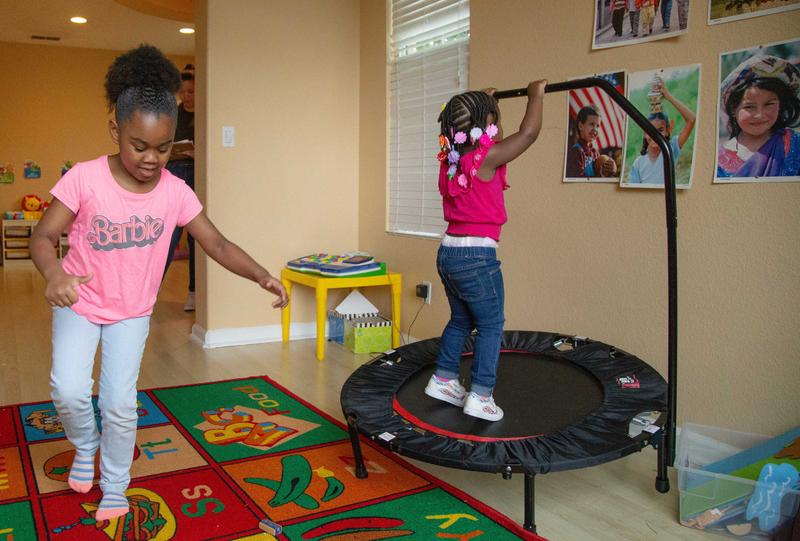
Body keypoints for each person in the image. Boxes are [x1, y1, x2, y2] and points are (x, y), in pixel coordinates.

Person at [29, 45, 288, 521]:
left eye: (164, 148)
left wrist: (261, 275)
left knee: (120, 403)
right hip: (78, 302)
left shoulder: (175, 191)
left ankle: (114, 483)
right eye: (139, 146)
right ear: (115, 131)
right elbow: (43, 234)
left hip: (131, 312)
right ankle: (85, 444)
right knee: (67, 390)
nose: (152, 159)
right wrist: (54, 273)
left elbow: (218, 243)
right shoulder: (85, 179)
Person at [424, 80, 546, 422]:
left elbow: (493, 136)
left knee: (461, 319)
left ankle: (445, 379)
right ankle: (480, 394)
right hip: (477, 256)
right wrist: (536, 95)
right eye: (492, 121)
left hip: (449, 253)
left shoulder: (451, 160)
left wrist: (489, 105)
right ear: (484, 127)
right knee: (491, 325)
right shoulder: (487, 157)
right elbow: (528, 134)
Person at [716, 54, 800, 179]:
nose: (759, 115)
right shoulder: (719, 161)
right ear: (733, 109)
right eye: (749, 107)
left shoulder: (794, 143)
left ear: (781, 104)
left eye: (769, 104)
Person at [163, 64, 197, 310]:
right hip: (174, 172)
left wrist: (198, 154)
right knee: (168, 235)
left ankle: (194, 293)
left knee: (196, 237)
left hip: (197, 173)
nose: (186, 96)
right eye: (183, 92)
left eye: (191, 91)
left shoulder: (206, 115)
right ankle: (150, 290)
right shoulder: (174, 114)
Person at [628, 80, 696, 184]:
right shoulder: (638, 163)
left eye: (660, 130)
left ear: (668, 131)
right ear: (644, 133)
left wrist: (668, 96)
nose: (654, 135)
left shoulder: (671, 149)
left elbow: (691, 119)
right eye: (650, 130)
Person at [565, 104, 618, 178]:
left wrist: (611, 170)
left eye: (597, 126)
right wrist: (599, 177)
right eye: (591, 124)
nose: (595, 129)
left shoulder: (595, 153)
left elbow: (602, 173)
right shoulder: (576, 151)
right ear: (580, 126)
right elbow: (578, 180)